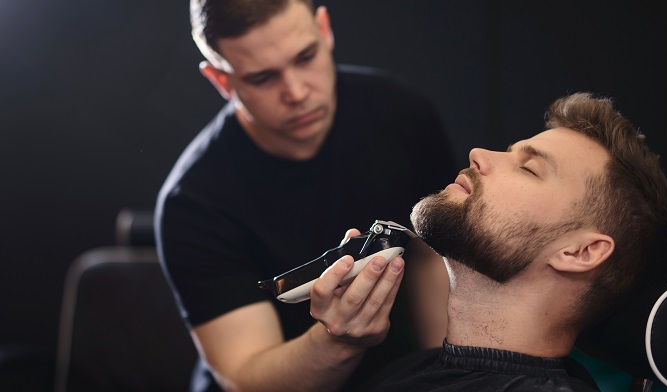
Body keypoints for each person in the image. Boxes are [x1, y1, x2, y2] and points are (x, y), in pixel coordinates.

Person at [154, 0, 457, 391]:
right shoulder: (192, 202)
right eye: (262, 78)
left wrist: (449, 375)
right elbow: (247, 378)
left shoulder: (403, 114)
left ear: (324, 29)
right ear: (221, 81)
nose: (296, 92)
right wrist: (340, 337)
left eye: (306, 56)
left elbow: (434, 258)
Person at [360, 92, 667, 391]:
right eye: (509, 153)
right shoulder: (409, 370)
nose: (477, 154)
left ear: (580, 251)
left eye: (529, 168)